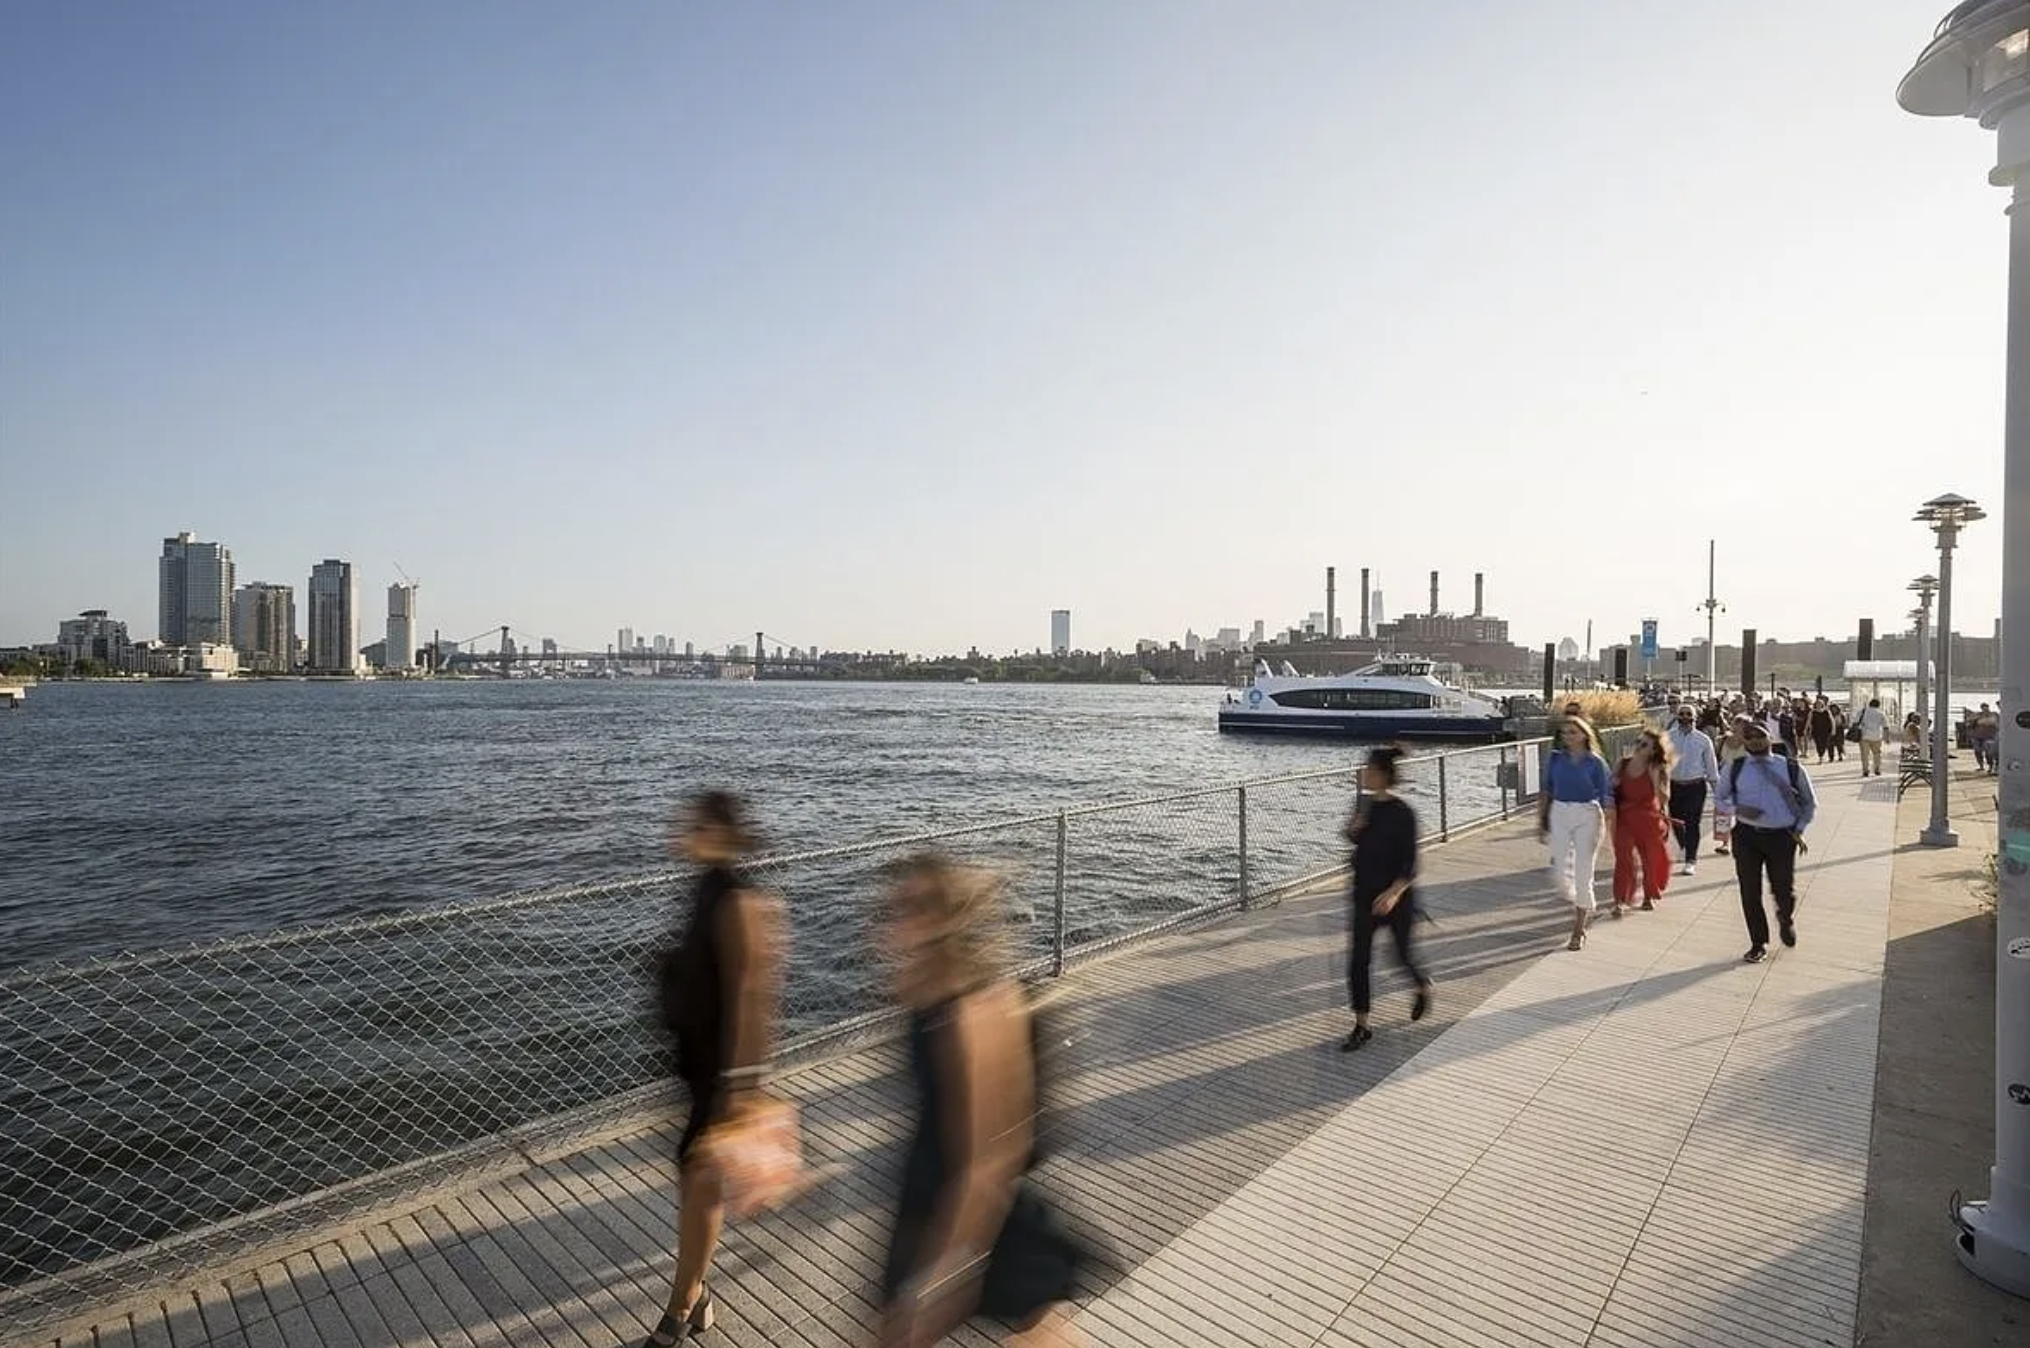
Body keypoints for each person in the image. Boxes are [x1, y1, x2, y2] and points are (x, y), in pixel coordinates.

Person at [876, 854, 1086, 1348]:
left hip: (979, 1213)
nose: (896, 919)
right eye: (896, 906)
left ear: (951, 918)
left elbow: (993, 1161)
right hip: (928, 1191)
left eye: (915, 906)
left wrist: (946, 1275)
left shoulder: (984, 1009)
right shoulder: (922, 986)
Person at [647, 791, 784, 1347]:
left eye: (695, 824)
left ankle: (685, 1304)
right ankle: (695, 1296)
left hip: (720, 1078)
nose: (684, 831)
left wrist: (741, 1087)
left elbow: (755, 997)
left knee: (701, 1184)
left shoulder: (738, 899)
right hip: (698, 1068)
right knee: (696, 1182)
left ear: (720, 833)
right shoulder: (705, 887)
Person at [1340, 745, 1433, 1051]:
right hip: (1363, 893)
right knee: (1358, 960)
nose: (1364, 774)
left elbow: (1411, 863)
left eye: (1368, 769)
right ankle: (1361, 1024)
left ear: (1382, 775)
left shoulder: (1403, 813)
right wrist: (1354, 828)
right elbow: (1352, 837)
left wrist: (1393, 894)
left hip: (1396, 897)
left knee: (1401, 956)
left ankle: (1421, 986)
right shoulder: (1363, 805)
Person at [1714, 722, 1818, 964]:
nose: (1755, 742)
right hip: (1747, 836)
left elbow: (1809, 802)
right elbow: (1720, 797)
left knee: (1783, 888)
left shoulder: (1790, 767)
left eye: (1759, 737)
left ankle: (1785, 919)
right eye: (1749, 738)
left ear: (1770, 738)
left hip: (1782, 836)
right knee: (1749, 890)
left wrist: (1799, 828)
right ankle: (1758, 942)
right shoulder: (1736, 767)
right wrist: (1738, 809)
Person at [1539, 716, 1614, 951]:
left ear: (1584, 734)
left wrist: (1609, 829)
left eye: (1572, 732)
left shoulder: (1595, 763)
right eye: (1564, 733)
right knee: (1560, 874)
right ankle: (1584, 903)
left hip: (1587, 814)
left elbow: (1606, 797)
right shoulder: (1555, 759)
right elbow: (1546, 790)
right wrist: (1540, 822)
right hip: (1560, 811)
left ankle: (1579, 928)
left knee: (1583, 872)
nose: (1567, 737)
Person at [1611, 730, 1674, 914]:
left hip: (1648, 819)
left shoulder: (1658, 768)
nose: (1638, 747)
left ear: (1654, 750)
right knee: (1623, 859)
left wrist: (1654, 779)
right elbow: (1610, 788)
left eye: (1644, 744)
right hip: (1625, 817)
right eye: (1638, 741)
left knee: (1649, 859)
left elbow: (1664, 799)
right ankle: (1620, 900)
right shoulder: (1622, 764)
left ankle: (1648, 896)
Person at [1666, 703, 1720, 876]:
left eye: (1688, 714)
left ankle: (1691, 859)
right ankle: (1685, 847)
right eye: (1681, 714)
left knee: (1692, 823)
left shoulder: (1703, 740)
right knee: (1675, 821)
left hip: (1695, 786)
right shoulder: (1668, 737)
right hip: (1674, 786)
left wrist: (1719, 793)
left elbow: (1712, 769)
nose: (1685, 717)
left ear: (1695, 717)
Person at [1854, 698, 1890, 777]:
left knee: (1865, 755)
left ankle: (1866, 770)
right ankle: (1877, 769)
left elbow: (1855, 722)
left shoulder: (1862, 711)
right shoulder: (1881, 713)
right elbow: (1886, 726)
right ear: (1878, 705)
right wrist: (1886, 738)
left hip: (1864, 736)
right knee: (1877, 754)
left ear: (1869, 704)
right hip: (1877, 736)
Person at [1972, 703, 2002, 775]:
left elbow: (1999, 724)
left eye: (1986, 708)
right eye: (1983, 708)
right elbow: (1971, 724)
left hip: (1989, 736)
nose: (1985, 709)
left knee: (1989, 753)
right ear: (1981, 708)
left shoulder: (1994, 714)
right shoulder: (1978, 715)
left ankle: (1991, 766)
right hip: (1977, 736)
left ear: (1988, 708)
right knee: (1977, 751)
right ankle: (1981, 766)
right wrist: (1974, 720)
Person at [1807, 696, 1835, 764]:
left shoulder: (1827, 711)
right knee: (1818, 744)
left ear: (1822, 704)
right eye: (1817, 704)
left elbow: (1832, 721)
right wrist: (1806, 729)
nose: (1818, 705)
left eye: (1820, 704)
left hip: (1826, 730)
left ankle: (1823, 755)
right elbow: (1809, 721)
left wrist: (1833, 729)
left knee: (1825, 744)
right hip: (1816, 731)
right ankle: (1821, 757)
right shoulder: (1812, 712)